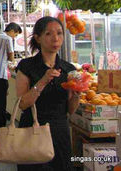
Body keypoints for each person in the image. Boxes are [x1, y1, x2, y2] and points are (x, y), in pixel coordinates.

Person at [16, 16, 79, 170]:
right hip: (33, 130)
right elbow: (22, 104)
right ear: (38, 38)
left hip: (59, 132)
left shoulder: (68, 69)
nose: (55, 39)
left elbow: (71, 110)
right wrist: (42, 81)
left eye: (59, 33)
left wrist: (77, 94)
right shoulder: (26, 66)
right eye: (49, 34)